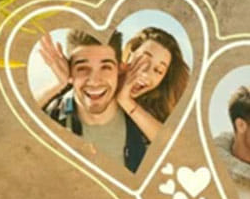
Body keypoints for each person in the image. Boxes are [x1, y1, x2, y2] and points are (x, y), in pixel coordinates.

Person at [38, 29, 148, 172]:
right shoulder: (51, 116)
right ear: (70, 71)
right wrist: (59, 84)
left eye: (106, 67)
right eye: (82, 68)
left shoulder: (143, 123)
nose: (95, 81)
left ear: (120, 69)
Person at [116, 27, 189, 141]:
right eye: (144, 61)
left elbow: (171, 143)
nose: (146, 74)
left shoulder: (154, 113)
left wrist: (126, 101)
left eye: (158, 70)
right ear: (131, 51)